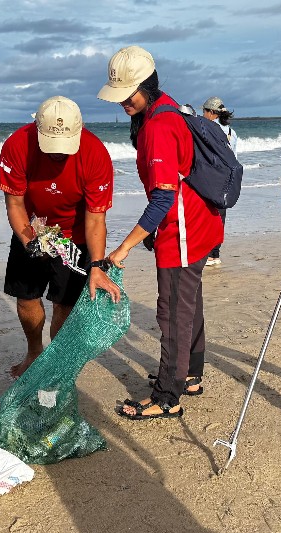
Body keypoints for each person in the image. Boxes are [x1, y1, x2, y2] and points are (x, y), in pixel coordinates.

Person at [98, 46, 224, 419]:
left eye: (127, 94)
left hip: (183, 228)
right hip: (202, 223)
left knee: (172, 312)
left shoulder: (157, 125)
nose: (122, 102)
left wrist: (123, 248)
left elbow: (162, 199)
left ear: (147, 85)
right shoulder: (168, 107)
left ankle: (166, 396)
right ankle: (189, 374)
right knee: (189, 302)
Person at [0, 95, 120, 378]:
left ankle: (55, 360)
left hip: (75, 235)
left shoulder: (95, 153)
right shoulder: (17, 145)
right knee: (25, 298)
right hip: (32, 228)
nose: (58, 154)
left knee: (63, 304)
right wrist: (31, 242)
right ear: (37, 129)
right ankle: (34, 352)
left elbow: (96, 219)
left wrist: (97, 266)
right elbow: (14, 204)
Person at [201, 96, 238, 267]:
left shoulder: (209, 128)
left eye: (204, 112)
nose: (202, 115)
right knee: (220, 215)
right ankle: (215, 253)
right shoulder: (231, 131)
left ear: (211, 112)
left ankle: (208, 253)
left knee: (208, 214)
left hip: (213, 176)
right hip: (229, 177)